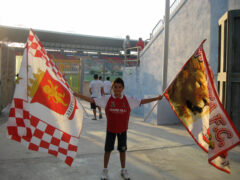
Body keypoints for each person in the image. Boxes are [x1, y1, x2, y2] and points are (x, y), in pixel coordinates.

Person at [73, 77, 163, 180]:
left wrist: (156, 98)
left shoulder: (128, 100)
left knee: (122, 150)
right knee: (107, 150)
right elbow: (92, 100)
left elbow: (142, 101)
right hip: (110, 130)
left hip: (122, 131)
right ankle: (105, 170)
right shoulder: (106, 99)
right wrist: (77, 95)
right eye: (115, 87)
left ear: (123, 88)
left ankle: (123, 170)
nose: (117, 89)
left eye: (119, 87)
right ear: (112, 88)